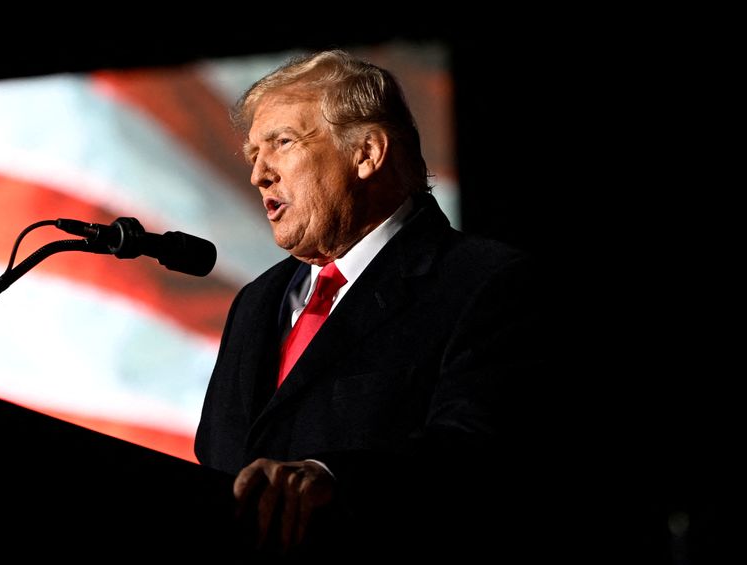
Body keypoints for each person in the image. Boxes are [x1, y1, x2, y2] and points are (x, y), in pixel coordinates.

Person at [194, 49, 548, 562]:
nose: (259, 175)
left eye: (283, 144)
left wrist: (331, 477)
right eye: (253, 155)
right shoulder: (256, 302)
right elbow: (218, 457)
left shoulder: (484, 283)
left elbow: (478, 456)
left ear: (367, 154)